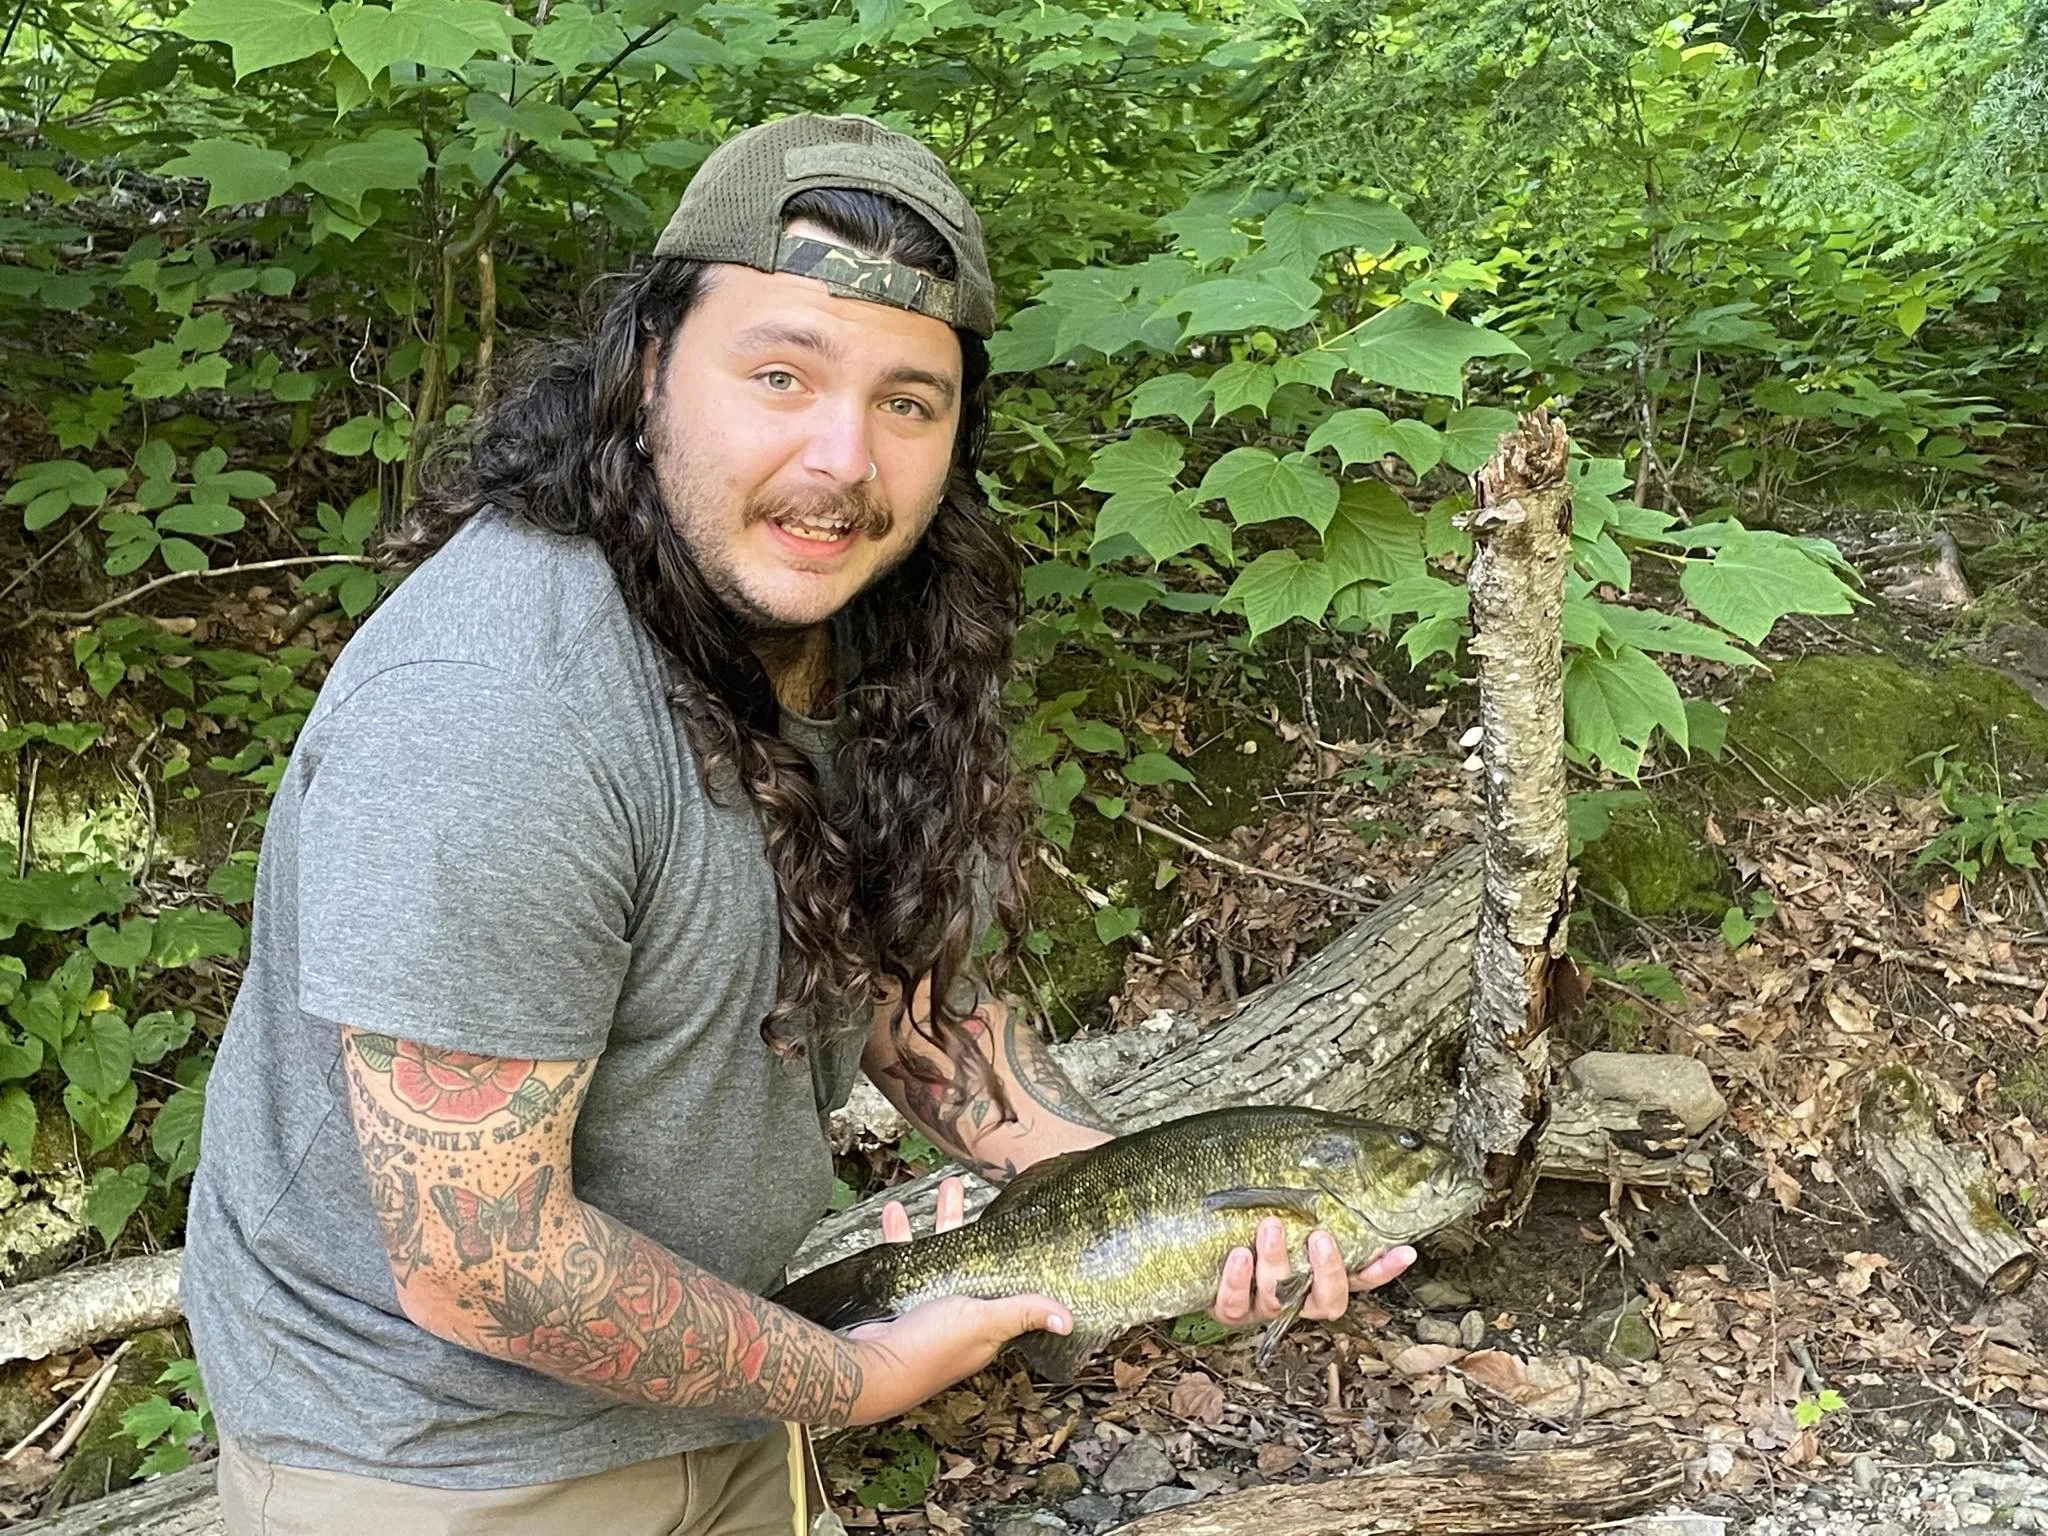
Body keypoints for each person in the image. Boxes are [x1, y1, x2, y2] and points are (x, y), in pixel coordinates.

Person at [180, 113, 1414, 1536]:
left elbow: (900, 994)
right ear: (645, 368)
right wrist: (852, 1376)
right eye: (780, 373)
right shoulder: (496, 710)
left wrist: (1143, 1202)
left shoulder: (841, 628)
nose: (844, 458)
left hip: (726, 1393)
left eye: (910, 402)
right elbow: (481, 1262)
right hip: (436, 1462)